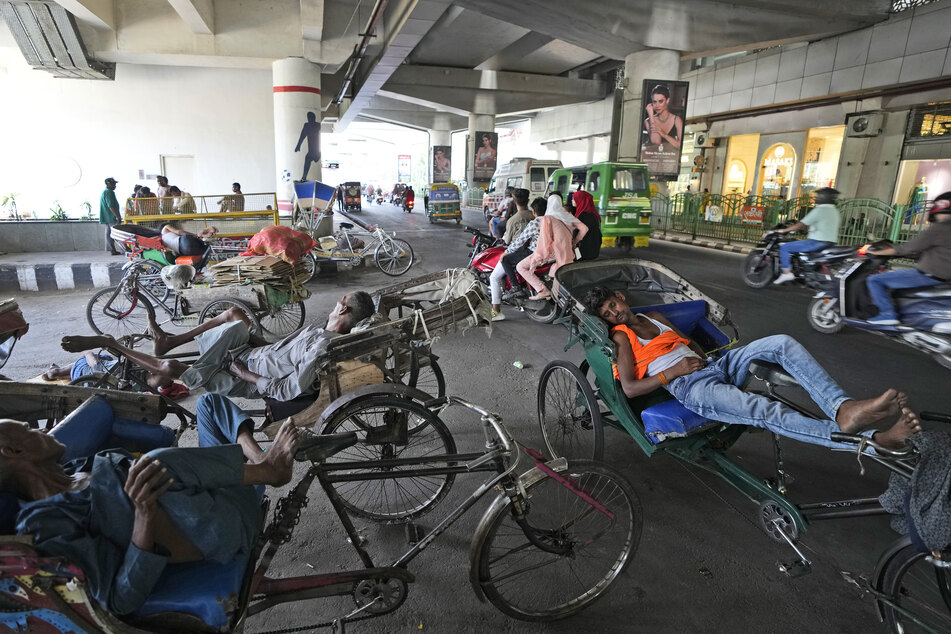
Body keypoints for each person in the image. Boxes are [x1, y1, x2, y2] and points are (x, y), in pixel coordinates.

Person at [3, 403, 308, 615]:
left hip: (217, 499)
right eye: (29, 428)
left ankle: (259, 464)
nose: (44, 429)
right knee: (155, 465)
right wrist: (144, 516)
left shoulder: (75, 469)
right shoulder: (45, 521)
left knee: (209, 405)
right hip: (220, 533)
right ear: (12, 451)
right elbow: (119, 599)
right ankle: (270, 470)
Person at [581, 286, 921, 451]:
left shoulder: (653, 317)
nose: (615, 314)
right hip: (692, 388)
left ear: (621, 296)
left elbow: (688, 342)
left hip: (715, 367)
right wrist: (675, 372)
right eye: (608, 315)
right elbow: (629, 388)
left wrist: (707, 358)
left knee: (781, 343)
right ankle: (873, 441)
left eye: (614, 306)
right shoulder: (623, 339)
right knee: (765, 409)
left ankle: (843, 408)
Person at [60, 291, 375, 403]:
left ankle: (109, 343)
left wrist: (244, 374)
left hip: (244, 377)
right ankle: (170, 341)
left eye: (341, 301)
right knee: (235, 316)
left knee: (170, 370)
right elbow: (282, 352)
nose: (336, 303)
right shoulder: (321, 331)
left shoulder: (322, 346)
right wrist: (257, 341)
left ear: (344, 311)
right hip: (253, 355)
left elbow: (289, 388)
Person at [863, 193, 951, 325]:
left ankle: (887, 313)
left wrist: (876, 252)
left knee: (874, 280)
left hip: (928, 275)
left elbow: (907, 248)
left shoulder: (939, 228)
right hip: (945, 276)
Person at [489, 196, 546, 322]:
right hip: (547, 253)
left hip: (530, 251)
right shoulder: (551, 220)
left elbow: (516, 240)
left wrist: (507, 251)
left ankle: (513, 290)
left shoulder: (522, 220)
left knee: (502, 265)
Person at [772, 187, 841, 285]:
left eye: (819, 195)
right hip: (830, 243)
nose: (817, 197)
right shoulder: (835, 211)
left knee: (785, 247)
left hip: (816, 242)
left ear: (823, 197)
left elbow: (800, 224)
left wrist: (783, 230)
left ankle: (786, 272)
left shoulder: (820, 210)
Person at [644, 84, 683, 150]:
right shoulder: (648, 121)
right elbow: (656, 141)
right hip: (653, 157)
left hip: (671, 158)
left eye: (661, 101)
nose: (657, 105)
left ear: (667, 100)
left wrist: (663, 134)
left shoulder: (677, 120)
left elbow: (680, 145)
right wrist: (651, 115)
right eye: (654, 102)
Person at [571, 187, 602, 261]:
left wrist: (574, 242)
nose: (572, 200)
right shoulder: (591, 213)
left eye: (574, 199)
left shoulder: (584, 215)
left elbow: (582, 231)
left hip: (585, 247)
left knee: (580, 262)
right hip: (592, 246)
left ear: (580, 200)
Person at [295, 112, 321, 181]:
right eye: (308, 118)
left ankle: (304, 177)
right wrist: (298, 145)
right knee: (307, 158)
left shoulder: (316, 125)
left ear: (313, 118)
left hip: (315, 151)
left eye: (310, 118)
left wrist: (298, 145)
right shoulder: (308, 125)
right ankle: (304, 177)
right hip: (313, 151)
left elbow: (303, 135)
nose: (309, 119)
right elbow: (302, 135)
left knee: (307, 158)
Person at [99, 177, 122, 255]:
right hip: (111, 217)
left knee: (108, 234)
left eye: (115, 184)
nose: (114, 185)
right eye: (113, 184)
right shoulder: (109, 192)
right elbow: (110, 205)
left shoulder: (105, 191)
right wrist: (117, 216)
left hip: (106, 217)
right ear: (107, 184)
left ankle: (112, 249)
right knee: (118, 233)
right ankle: (125, 249)